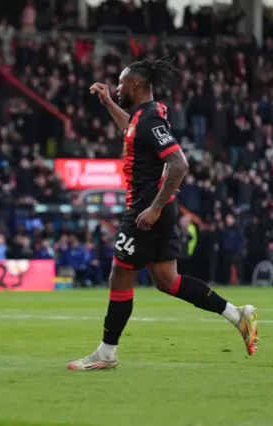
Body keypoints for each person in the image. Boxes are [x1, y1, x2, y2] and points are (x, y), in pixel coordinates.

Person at [68, 58, 258, 370]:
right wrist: (107, 103)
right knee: (167, 280)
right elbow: (130, 129)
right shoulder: (142, 117)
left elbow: (179, 163)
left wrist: (154, 209)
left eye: (118, 84)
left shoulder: (150, 120)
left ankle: (106, 353)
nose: (115, 89)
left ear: (135, 85)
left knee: (119, 276)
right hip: (158, 205)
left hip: (147, 207)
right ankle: (237, 315)